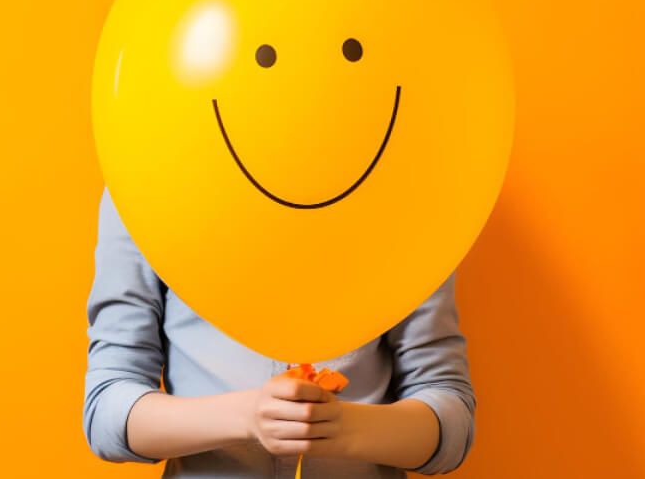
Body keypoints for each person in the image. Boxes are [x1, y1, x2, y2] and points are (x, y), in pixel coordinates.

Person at [83, 190, 476, 477]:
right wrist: (247, 418)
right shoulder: (143, 192)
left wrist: (339, 426)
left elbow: (451, 419)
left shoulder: (407, 195)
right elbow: (106, 412)